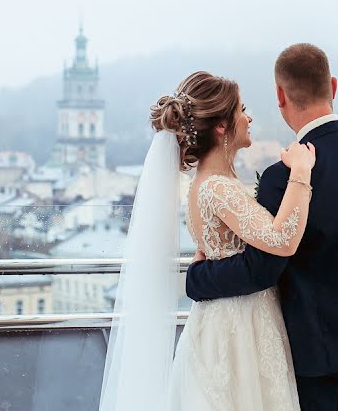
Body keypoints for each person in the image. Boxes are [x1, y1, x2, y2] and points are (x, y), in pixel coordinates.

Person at [187, 43, 338, 410]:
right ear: (332, 85)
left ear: (280, 96)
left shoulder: (279, 177)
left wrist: (196, 279)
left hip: (315, 348)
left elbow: (262, 268)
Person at [99, 70, 315, 410]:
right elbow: (282, 239)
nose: (249, 117)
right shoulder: (219, 187)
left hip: (222, 318)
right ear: (222, 127)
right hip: (239, 328)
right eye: (242, 109)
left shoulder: (206, 184)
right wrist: (302, 171)